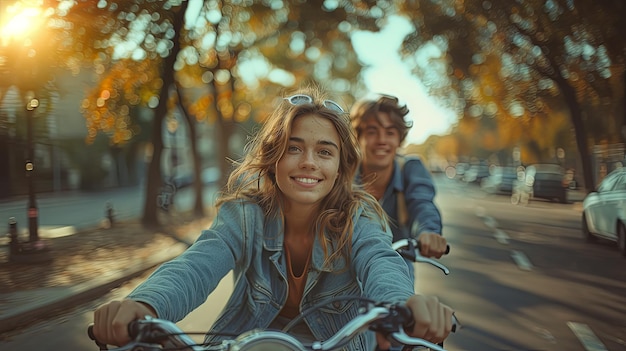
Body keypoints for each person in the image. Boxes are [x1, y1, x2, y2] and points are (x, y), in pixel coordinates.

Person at [91, 86, 454, 351]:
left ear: (341, 166)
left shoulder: (358, 215)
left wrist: (404, 302)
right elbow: (197, 264)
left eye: (324, 151)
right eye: (293, 147)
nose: (309, 161)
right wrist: (144, 304)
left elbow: (379, 257)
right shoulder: (244, 214)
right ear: (273, 157)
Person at [350, 93, 448, 275]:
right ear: (358, 137)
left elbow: (422, 204)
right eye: (372, 131)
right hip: (346, 276)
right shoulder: (343, 174)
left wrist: (429, 232)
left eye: (390, 132)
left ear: (400, 139)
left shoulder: (410, 169)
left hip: (396, 270)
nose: (381, 140)